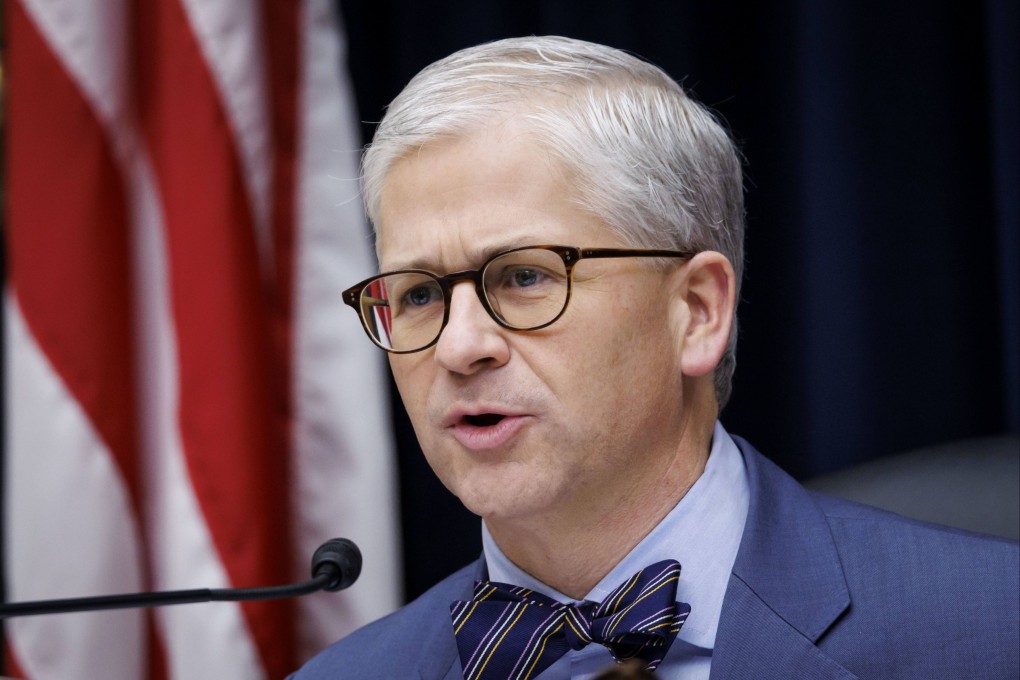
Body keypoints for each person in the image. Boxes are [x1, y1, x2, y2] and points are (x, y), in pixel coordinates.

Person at [292, 36, 1019, 679]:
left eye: (523, 277)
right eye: (419, 294)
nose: (459, 346)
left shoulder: (994, 630)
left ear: (698, 311)